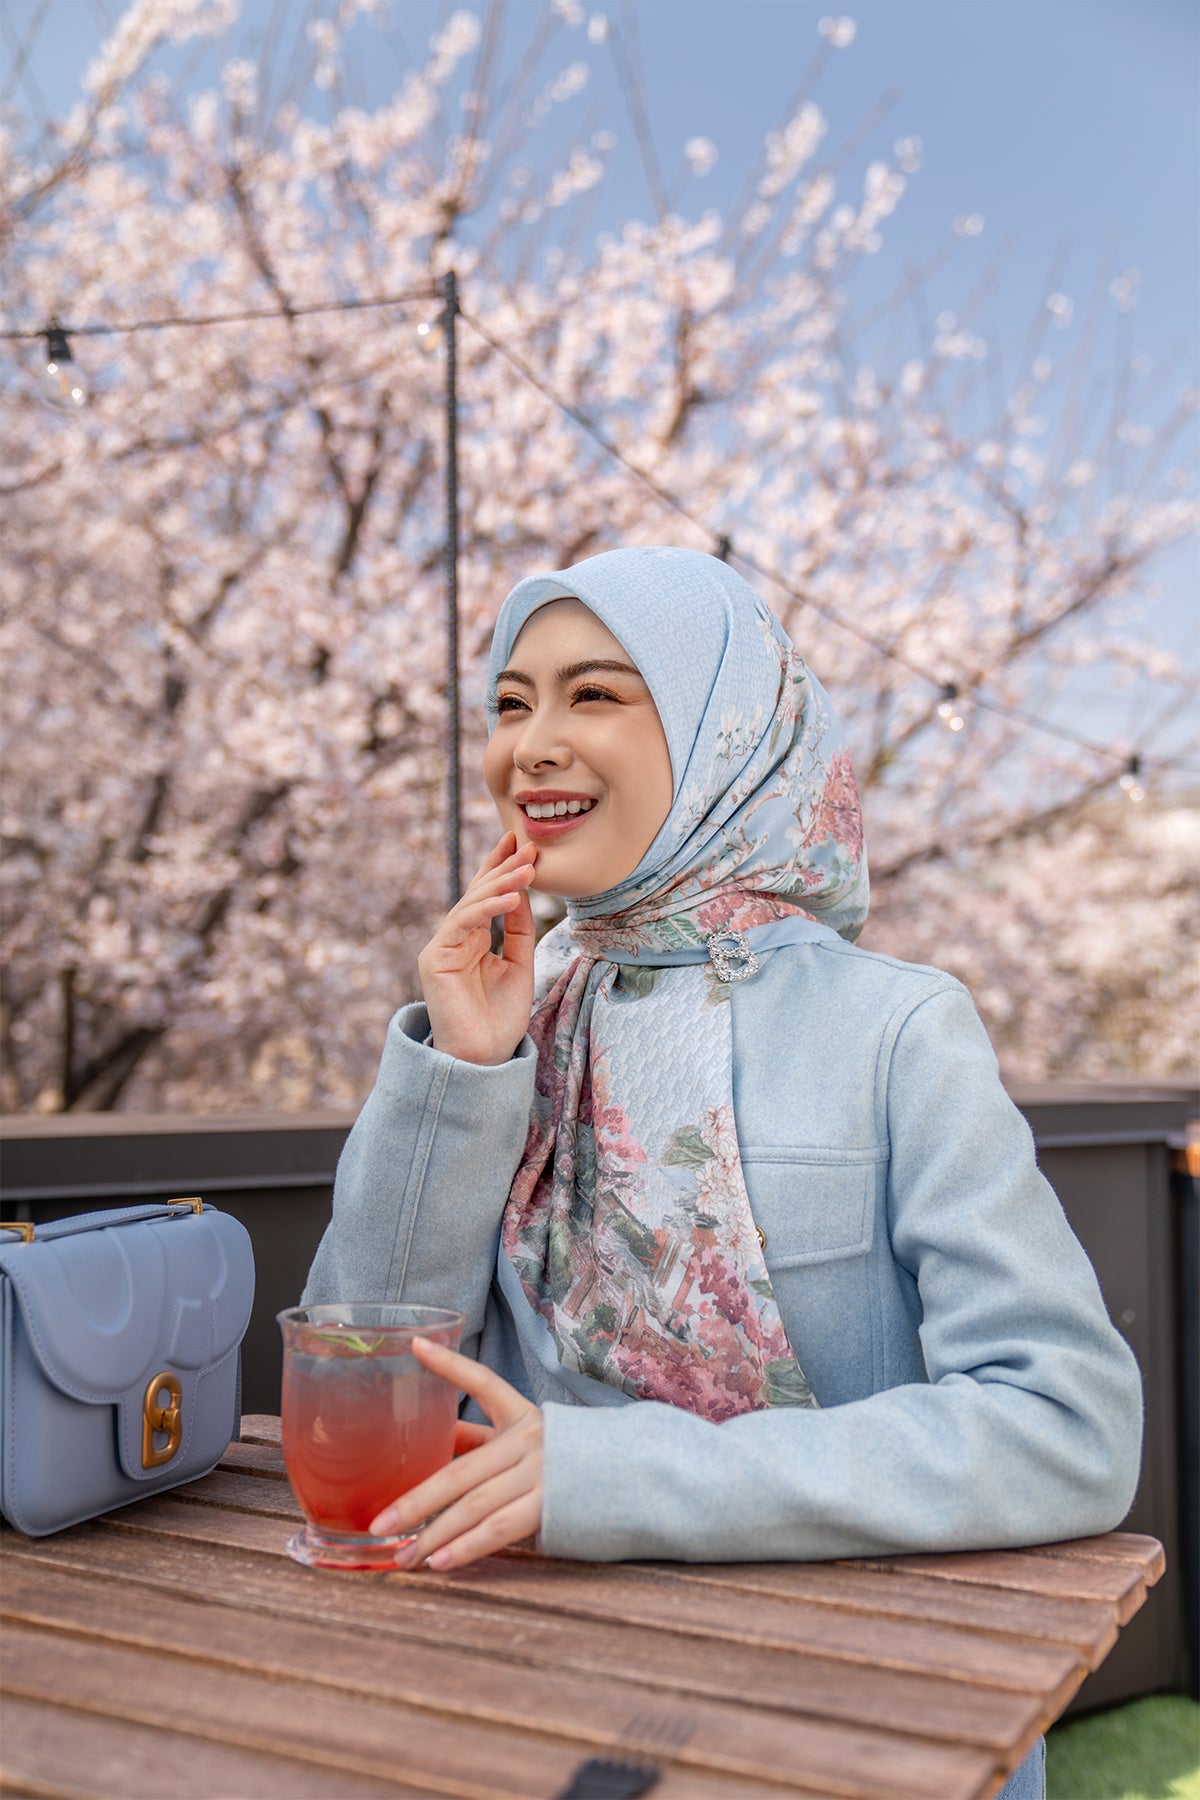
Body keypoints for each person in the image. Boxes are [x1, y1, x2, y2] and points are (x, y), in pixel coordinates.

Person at [303, 546, 1143, 1800]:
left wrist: (613, 1480)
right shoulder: (511, 1010)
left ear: (724, 732)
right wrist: (464, 1071)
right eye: (510, 703)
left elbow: (1068, 1427)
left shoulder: (895, 1028)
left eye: (596, 694)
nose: (531, 745)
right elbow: (360, 1373)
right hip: (523, 1686)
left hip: (865, 1708)